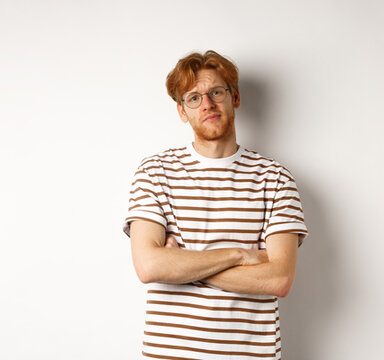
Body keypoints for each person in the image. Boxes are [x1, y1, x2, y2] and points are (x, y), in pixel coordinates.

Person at [123, 50, 307, 359]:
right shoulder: (155, 172)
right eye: (193, 98)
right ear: (182, 111)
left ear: (235, 97)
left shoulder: (275, 178)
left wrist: (180, 264)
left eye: (215, 92)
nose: (206, 103)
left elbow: (278, 279)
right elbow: (149, 266)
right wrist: (239, 255)